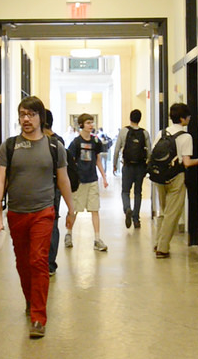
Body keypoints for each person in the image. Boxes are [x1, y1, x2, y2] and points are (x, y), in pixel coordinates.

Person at [0, 96, 75, 338]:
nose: (26, 119)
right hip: (17, 212)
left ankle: (39, 316)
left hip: (43, 212)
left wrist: (71, 209)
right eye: (22, 114)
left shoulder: (53, 147)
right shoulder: (9, 146)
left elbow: (63, 179)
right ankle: (30, 300)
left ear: (41, 117)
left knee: (39, 260)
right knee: (23, 262)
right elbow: (0, 180)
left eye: (31, 114)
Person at [153, 103, 198, 258]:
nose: (189, 118)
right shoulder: (186, 137)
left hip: (160, 176)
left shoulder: (162, 133)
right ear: (182, 118)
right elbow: (186, 162)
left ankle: (157, 242)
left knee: (164, 211)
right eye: (188, 116)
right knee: (172, 213)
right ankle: (162, 248)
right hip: (176, 177)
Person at [65, 113, 109, 252]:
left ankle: (97, 239)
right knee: (74, 210)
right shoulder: (76, 143)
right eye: (88, 123)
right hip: (79, 181)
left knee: (95, 209)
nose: (91, 125)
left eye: (92, 122)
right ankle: (69, 234)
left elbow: (97, 160)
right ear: (82, 125)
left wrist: (104, 177)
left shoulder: (95, 142)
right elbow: (70, 162)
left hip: (92, 180)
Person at [113, 109, 151, 229]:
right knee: (138, 192)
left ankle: (127, 208)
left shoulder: (124, 131)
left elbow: (117, 149)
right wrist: (148, 165)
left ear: (130, 118)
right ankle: (136, 219)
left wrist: (114, 164)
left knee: (125, 191)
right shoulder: (144, 133)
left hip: (127, 166)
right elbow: (149, 152)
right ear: (140, 119)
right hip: (140, 167)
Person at [43, 109, 61, 276]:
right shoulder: (58, 140)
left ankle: (45, 262)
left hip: (44, 188)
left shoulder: (44, 141)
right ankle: (50, 263)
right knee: (53, 222)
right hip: (55, 188)